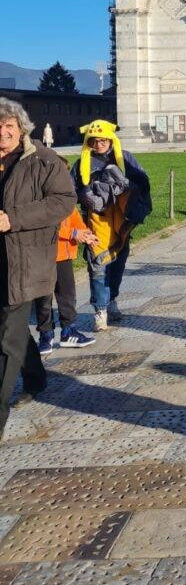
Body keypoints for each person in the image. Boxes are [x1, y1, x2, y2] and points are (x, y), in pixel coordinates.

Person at [0, 98, 76, 432]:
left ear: (21, 129)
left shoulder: (43, 161)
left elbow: (63, 201)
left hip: (24, 262)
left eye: (8, 127)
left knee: (5, 338)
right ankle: (35, 376)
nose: (2, 133)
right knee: (11, 334)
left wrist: (12, 219)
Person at [72, 120, 152, 332]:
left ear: (110, 140)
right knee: (97, 266)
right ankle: (100, 310)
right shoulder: (81, 164)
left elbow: (143, 183)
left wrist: (125, 186)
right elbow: (71, 192)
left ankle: (112, 299)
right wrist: (87, 196)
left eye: (103, 140)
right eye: (94, 141)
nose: (99, 145)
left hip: (121, 222)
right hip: (96, 222)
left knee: (117, 264)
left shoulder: (124, 158)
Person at [35, 178, 98, 354]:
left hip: (64, 256)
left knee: (67, 295)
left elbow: (76, 222)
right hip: (43, 255)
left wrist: (86, 235)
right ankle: (45, 335)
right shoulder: (40, 201)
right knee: (43, 298)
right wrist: (73, 233)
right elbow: (45, 227)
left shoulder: (67, 202)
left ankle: (68, 331)